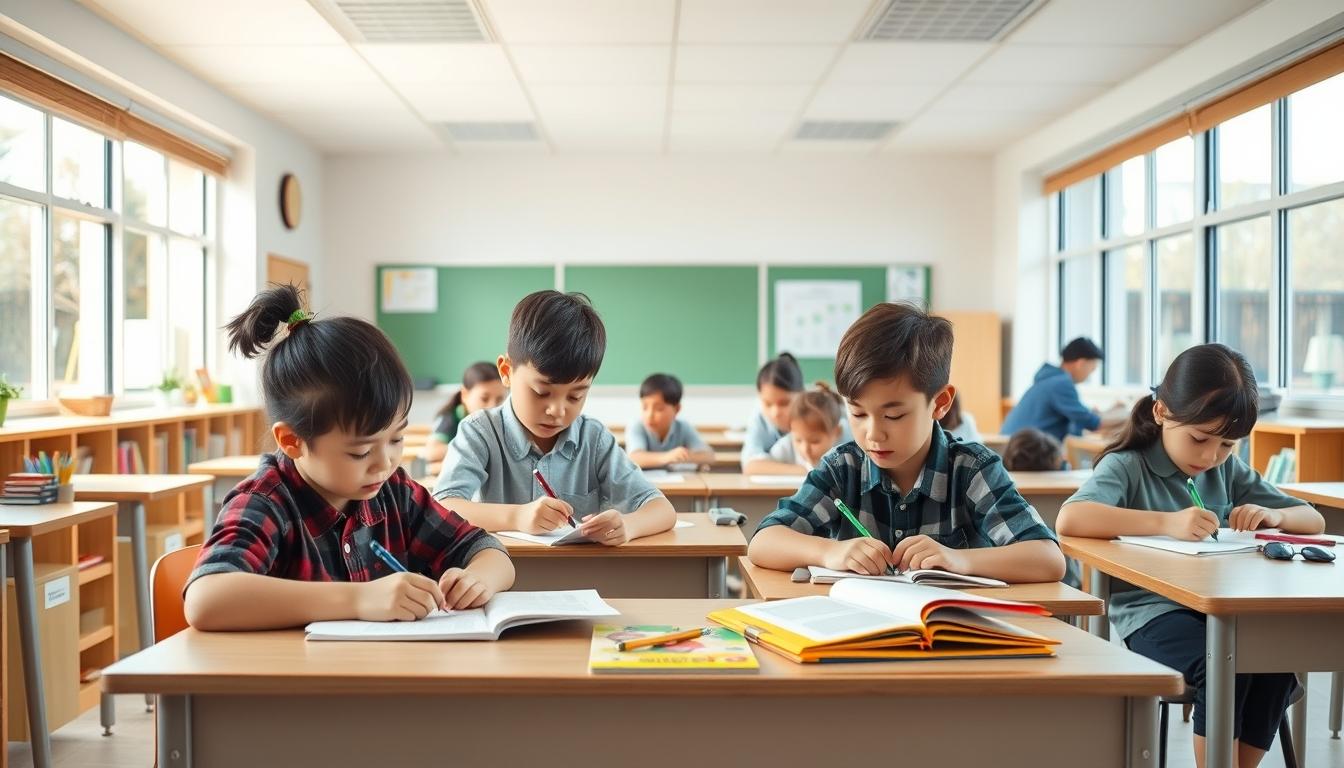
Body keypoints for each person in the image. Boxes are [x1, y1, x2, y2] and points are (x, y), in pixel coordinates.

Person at [184, 285, 515, 631]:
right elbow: (206, 599)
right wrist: (359, 599)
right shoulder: (266, 503)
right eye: (360, 452)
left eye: (396, 438)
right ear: (293, 441)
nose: (385, 463)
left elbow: (488, 550)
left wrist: (478, 579)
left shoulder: (395, 493)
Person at [1057, 343, 1323, 767]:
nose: (1209, 456)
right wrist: (1166, 522)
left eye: (1227, 445)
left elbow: (1312, 519)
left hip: (1221, 609)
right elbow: (1072, 518)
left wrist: (1274, 515)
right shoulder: (1128, 465)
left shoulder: (1225, 469)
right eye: (1199, 438)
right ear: (1161, 412)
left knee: (1274, 666)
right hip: (1151, 613)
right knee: (1223, 667)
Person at [748, 301, 1065, 583]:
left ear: (940, 403)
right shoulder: (842, 467)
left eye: (894, 415)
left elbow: (1048, 559)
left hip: (949, 627)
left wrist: (960, 560)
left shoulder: (971, 469)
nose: (873, 434)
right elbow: (763, 542)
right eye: (858, 413)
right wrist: (829, 552)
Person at [434, 290, 676, 544]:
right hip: (500, 566)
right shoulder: (480, 432)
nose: (558, 411)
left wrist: (628, 525)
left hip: (580, 569)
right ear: (506, 371)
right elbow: (443, 506)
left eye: (575, 396)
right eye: (542, 392)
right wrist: (516, 516)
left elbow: (663, 510)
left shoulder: (593, 439)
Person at [1003, 337, 1123, 441]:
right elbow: (1093, 423)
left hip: (1014, 447)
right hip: (1025, 452)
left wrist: (1109, 412)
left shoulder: (1049, 380)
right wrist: (1128, 417)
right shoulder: (1060, 384)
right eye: (1092, 369)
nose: (1089, 375)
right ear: (1081, 363)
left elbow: (1083, 418)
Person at [625, 373, 714, 469]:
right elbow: (634, 458)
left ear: (676, 409)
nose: (649, 415)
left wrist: (682, 456)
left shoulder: (683, 426)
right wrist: (668, 457)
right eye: (645, 407)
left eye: (659, 409)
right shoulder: (637, 426)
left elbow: (709, 456)